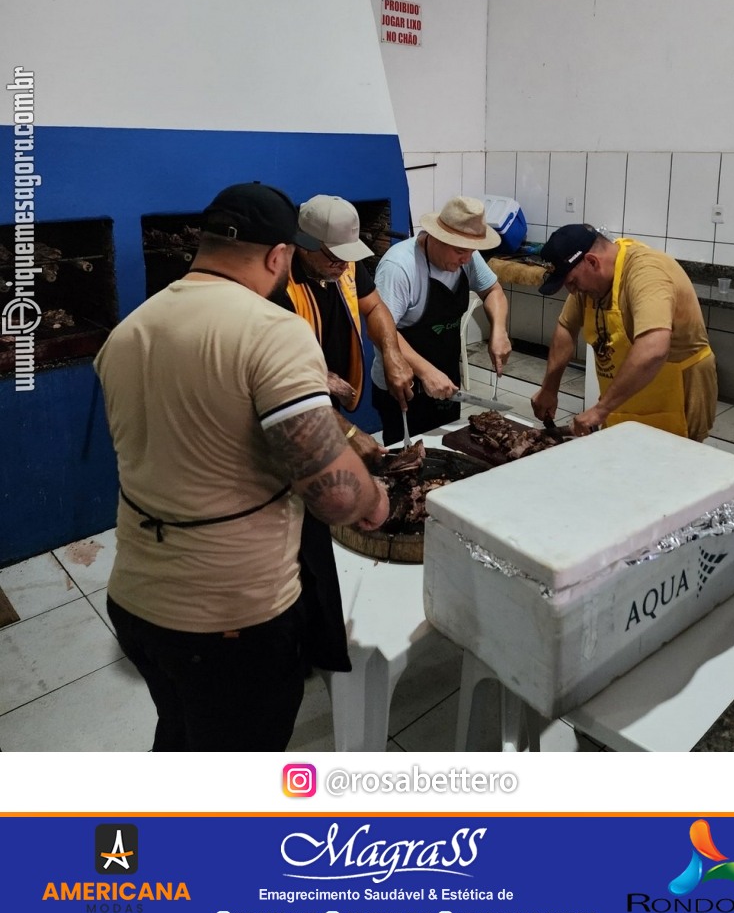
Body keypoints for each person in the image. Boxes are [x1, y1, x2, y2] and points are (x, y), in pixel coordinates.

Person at [94, 181, 389, 752]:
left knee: (179, 737)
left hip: (135, 600)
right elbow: (335, 496)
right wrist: (372, 497)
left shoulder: (128, 331)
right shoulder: (272, 332)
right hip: (230, 616)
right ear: (280, 255)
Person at [531, 224, 717, 441]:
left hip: (674, 397)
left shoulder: (646, 273)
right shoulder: (590, 280)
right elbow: (566, 327)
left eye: (572, 282)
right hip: (627, 395)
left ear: (592, 261)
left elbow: (654, 348)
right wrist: (549, 388)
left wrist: (601, 409)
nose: (572, 291)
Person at [371, 196, 512, 445]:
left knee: (448, 451)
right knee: (407, 461)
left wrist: (498, 330)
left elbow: (493, 291)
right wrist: (425, 372)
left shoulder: (468, 257)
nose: (467, 259)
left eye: (471, 251)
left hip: (445, 381)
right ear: (435, 237)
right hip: (403, 388)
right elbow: (381, 330)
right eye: (460, 251)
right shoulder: (400, 266)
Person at [279, 193, 414, 437]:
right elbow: (267, 362)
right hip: (293, 402)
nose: (343, 265)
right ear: (304, 245)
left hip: (332, 395)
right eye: (334, 257)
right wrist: (318, 376)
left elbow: (374, 307)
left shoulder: (345, 263)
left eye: (348, 256)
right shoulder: (277, 280)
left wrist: (391, 354)